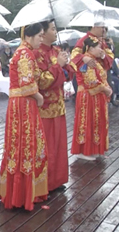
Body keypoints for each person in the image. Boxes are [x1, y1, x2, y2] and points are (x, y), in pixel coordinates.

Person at [0, 23, 48, 211]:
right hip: (24, 106)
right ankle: (22, 194)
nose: (41, 40)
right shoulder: (26, 54)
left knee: (18, 145)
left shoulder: (22, 52)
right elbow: (27, 84)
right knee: (25, 145)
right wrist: (39, 96)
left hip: (19, 105)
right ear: (30, 36)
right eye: (40, 36)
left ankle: (18, 191)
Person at [33, 19, 75, 192]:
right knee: (47, 148)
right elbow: (42, 82)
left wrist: (64, 66)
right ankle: (45, 184)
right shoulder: (37, 54)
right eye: (52, 29)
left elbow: (69, 73)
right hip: (44, 108)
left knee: (58, 146)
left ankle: (57, 180)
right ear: (42, 33)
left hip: (58, 106)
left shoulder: (57, 50)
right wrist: (58, 66)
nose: (55, 31)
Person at [71, 36, 112, 161]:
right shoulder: (86, 61)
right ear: (89, 48)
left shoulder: (95, 60)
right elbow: (90, 81)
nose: (100, 49)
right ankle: (84, 150)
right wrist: (105, 89)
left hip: (96, 96)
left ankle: (94, 149)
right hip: (88, 97)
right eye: (98, 47)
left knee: (96, 123)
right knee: (87, 122)